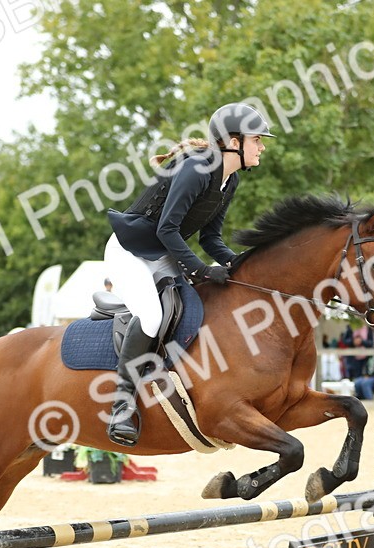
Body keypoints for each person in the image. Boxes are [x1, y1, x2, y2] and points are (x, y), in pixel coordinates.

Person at [102, 102, 274, 446]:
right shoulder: (197, 169)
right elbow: (168, 228)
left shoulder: (230, 178)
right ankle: (121, 403)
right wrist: (201, 270)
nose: (262, 146)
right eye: (257, 139)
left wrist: (240, 264)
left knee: (200, 306)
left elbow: (210, 238)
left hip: (162, 253)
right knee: (152, 316)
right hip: (129, 251)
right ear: (234, 142)